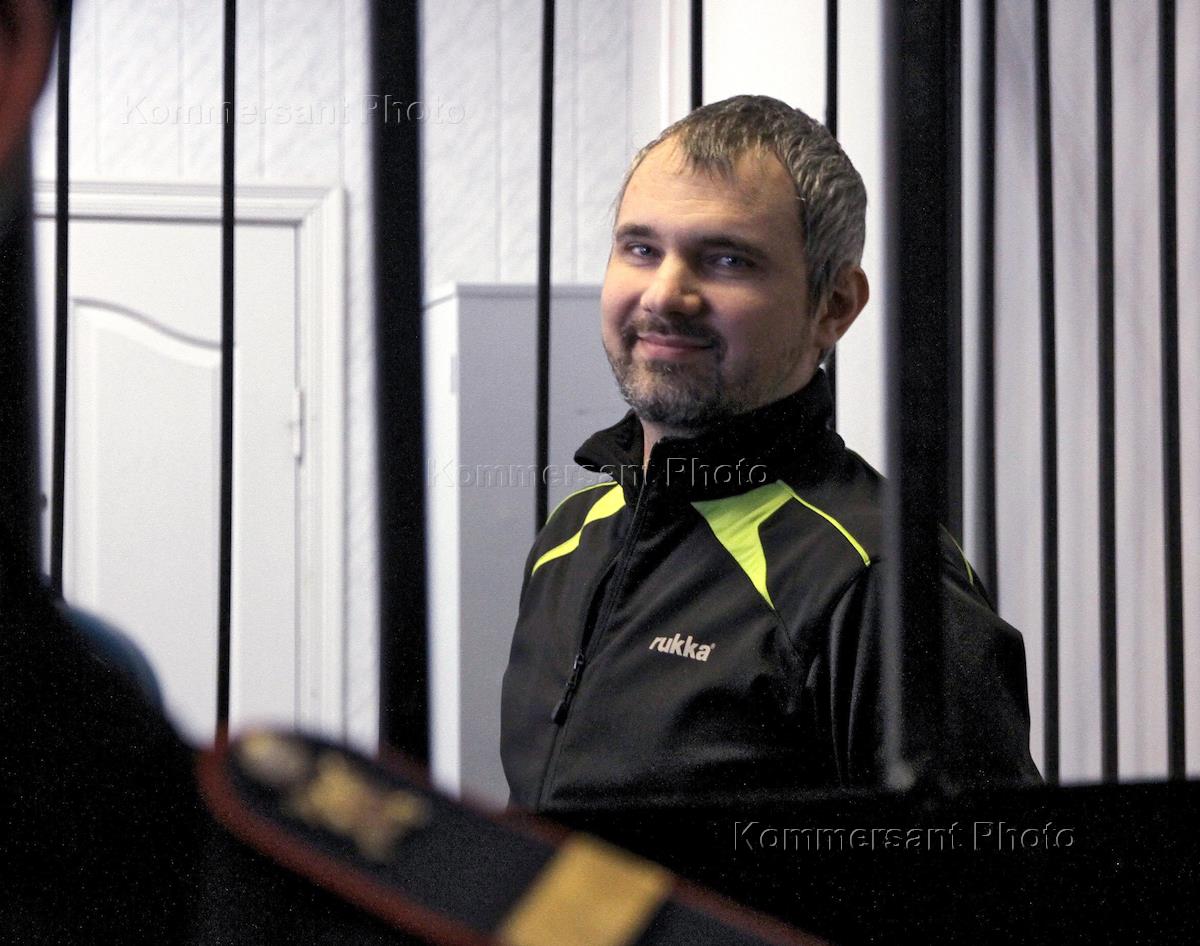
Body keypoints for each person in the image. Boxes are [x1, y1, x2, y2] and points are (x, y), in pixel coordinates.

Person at [500, 94, 1040, 812]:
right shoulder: (572, 534)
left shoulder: (880, 584)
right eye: (641, 249)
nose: (665, 295)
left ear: (834, 306)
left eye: (727, 259)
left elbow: (993, 866)